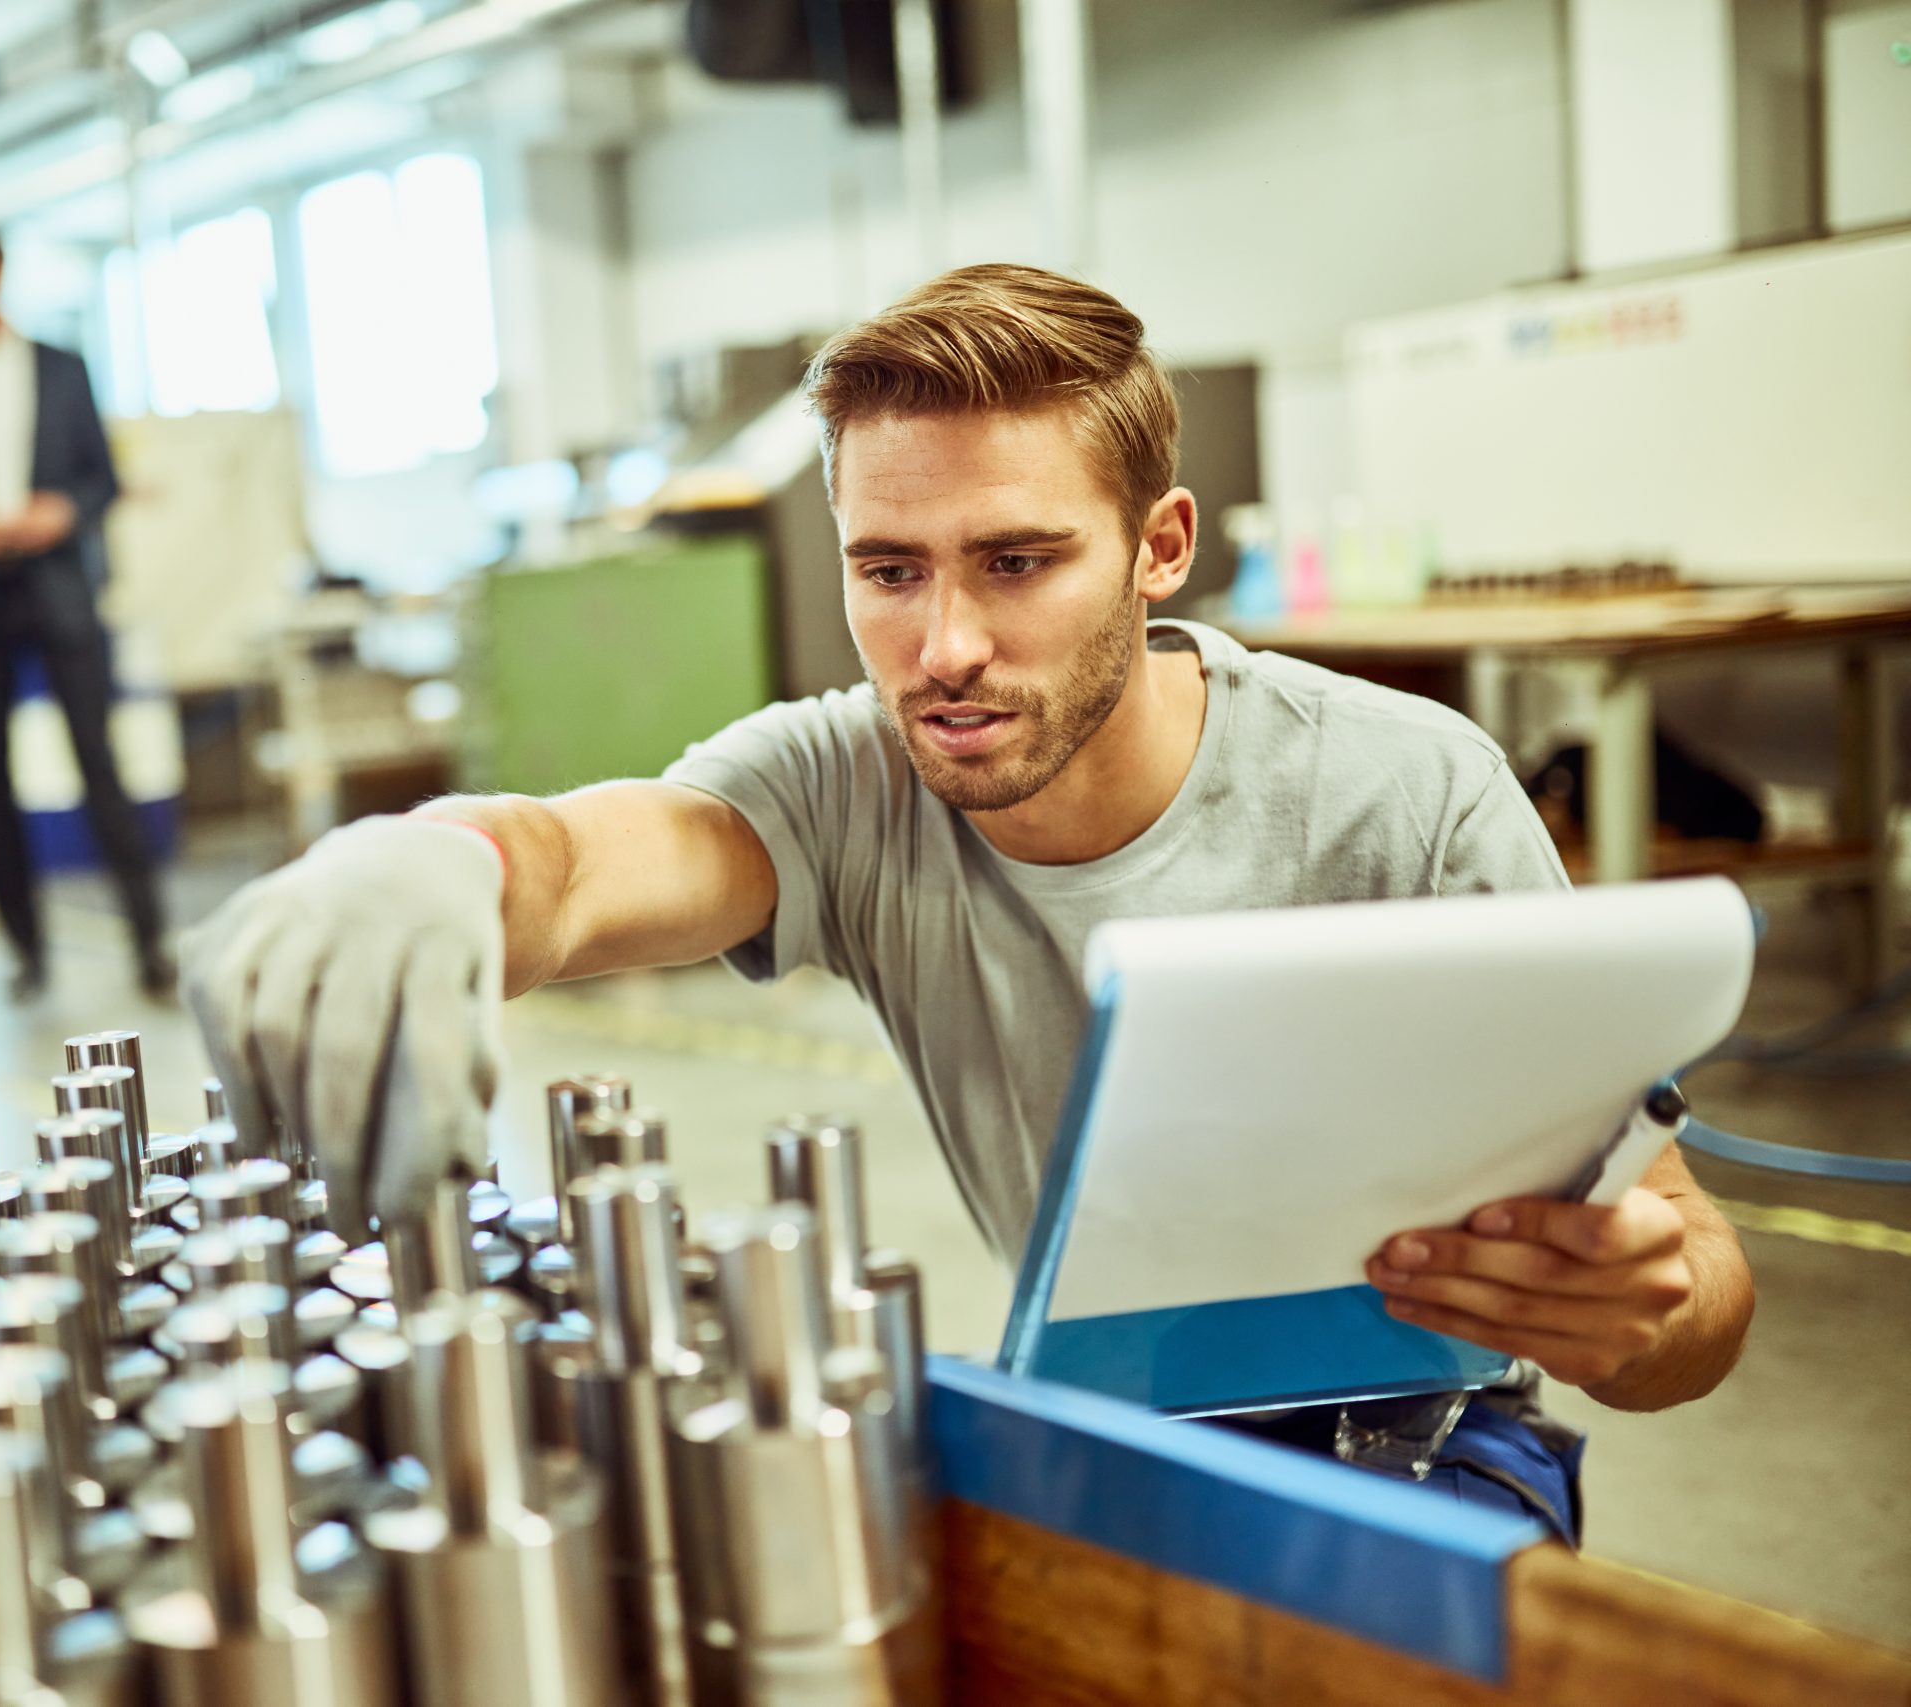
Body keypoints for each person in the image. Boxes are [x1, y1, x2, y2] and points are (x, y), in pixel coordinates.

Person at [183, 264, 1757, 1539]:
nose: (940, 646)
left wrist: (1647, 1309)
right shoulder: (851, 783)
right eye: (890, 569)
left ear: (1159, 548)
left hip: (1437, 1437)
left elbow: (1694, 1285)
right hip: (1101, 1418)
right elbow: (593, 862)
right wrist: (447, 864)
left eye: (1015, 562)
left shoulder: (1407, 791)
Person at [0, 224, 171, 1002]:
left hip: (55, 583)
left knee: (99, 762)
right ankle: (26, 950)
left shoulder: (62, 368)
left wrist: (63, 510)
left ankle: (148, 939)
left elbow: (102, 478)